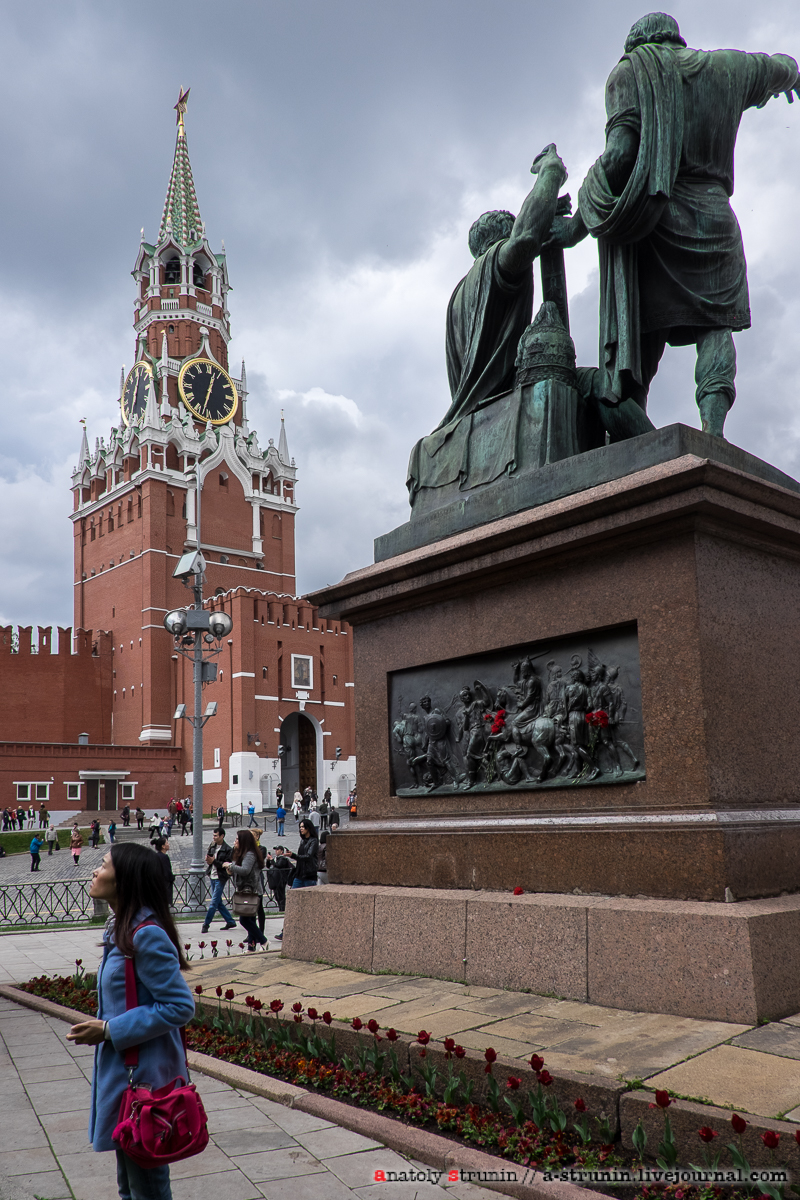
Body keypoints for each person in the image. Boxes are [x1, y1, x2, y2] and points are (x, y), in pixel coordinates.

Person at [549, 12, 800, 440]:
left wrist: (575, 227)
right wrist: (789, 77)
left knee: (641, 340)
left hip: (655, 220)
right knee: (716, 326)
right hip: (717, 217)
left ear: (637, 44)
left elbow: (620, 155)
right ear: (676, 38)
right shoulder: (730, 67)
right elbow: (784, 66)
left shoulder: (629, 72)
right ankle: (714, 432)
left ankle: (633, 444)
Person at [66, 842, 194, 1200]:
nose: (95, 871)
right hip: (126, 1076)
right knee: (131, 1185)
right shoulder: (122, 930)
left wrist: (109, 1030)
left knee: (147, 1188)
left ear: (125, 880)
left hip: (143, 1083)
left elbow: (179, 1006)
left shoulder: (145, 935)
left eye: (103, 865)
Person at [224, 830, 267, 951]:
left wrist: (230, 866)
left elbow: (246, 870)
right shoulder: (242, 853)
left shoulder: (250, 854)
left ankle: (263, 941)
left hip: (252, 891)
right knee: (251, 919)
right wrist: (231, 871)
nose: (235, 841)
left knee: (244, 919)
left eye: (237, 839)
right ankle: (251, 947)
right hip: (247, 889)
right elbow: (240, 871)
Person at [201, 828, 237, 933]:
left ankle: (206, 924)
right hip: (212, 875)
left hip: (221, 877)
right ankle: (230, 921)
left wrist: (214, 861)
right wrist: (208, 860)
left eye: (216, 835)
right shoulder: (212, 846)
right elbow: (210, 861)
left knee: (213, 902)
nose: (214, 837)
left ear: (222, 836)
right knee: (218, 902)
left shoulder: (228, 849)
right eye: (213, 835)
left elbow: (227, 865)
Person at [265, 846, 293, 913]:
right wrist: (268, 860)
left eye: (278, 850)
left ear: (281, 851)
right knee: (277, 896)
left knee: (281, 895)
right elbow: (268, 866)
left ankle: (283, 909)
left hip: (281, 880)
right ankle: (281, 908)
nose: (276, 851)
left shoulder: (283, 859)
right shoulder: (276, 858)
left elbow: (278, 865)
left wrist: (271, 860)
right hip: (276, 879)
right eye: (275, 850)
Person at [152, 837, 175, 906]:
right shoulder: (164, 857)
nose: (169, 844)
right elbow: (167, 871)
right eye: (167, 843)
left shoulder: (156, 856)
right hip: (164, 884)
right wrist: (172, 878)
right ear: (163, 846)